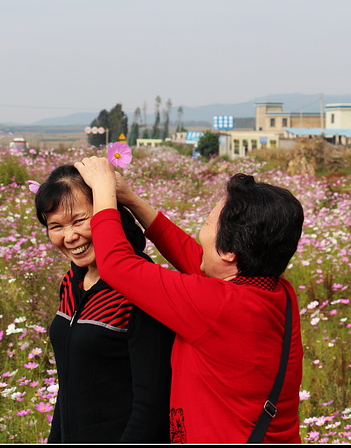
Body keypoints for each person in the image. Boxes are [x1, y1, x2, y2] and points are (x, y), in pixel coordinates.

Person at [74, 156, 305, 444]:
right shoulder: (277, 292)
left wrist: (103, 190)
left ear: (229, 251)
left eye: (207, 224)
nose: (201, 233)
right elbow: (196, 259)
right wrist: (129, 199)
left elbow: (117, 265)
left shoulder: (218, 307)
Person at [33, 164, 174, 443]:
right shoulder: (73, 281)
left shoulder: (140, 288)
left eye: (79, 220)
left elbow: (153, 401)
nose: (70, 236)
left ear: (109, 215)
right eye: (56, 226)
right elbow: (70, 385)